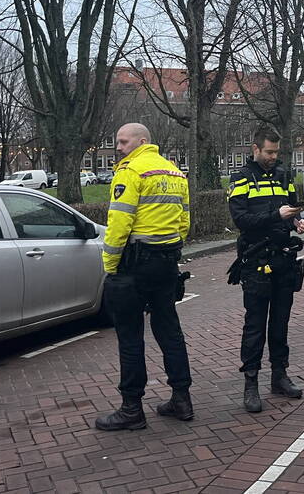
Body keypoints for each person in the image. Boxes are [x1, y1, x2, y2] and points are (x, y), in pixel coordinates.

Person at [95, 123, 194, 431]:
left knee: (130, 337)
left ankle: (131, 409)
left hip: (134, 265)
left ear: (141, 141)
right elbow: (184, 221)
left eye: (123, 142)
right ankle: (182, 399)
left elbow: (119, 223)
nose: (119, 147)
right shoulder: (175, 173)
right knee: (169, 330)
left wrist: (111, 264)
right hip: (166, 263)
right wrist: (170, 248)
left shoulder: (130, 171)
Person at [228, 126, 304, 412]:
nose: (274, 157)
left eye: (276, 152)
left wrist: (296, 222)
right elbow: (241, 220)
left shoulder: (284, 175)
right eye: (269, 152)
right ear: (256, 149)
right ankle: (251, 384)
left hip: (283, 259)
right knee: (255, 325)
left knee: (280, 321)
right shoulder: (240, 179)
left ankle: (279, 376)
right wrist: (276, 215)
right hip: (256, 261)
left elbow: (290, 210)